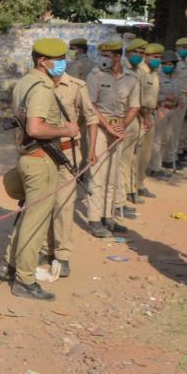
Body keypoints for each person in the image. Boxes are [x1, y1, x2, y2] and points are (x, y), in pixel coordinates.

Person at [0, 38, 79, 300]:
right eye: (59, 59)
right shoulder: (42, 88)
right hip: (41, 160)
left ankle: (10, 264)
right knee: (36, 223)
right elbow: (35, 128)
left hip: (28, 157)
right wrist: (67, 130)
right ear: (43, 61)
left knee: (28, 216)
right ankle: (25, 279)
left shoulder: (25, 81)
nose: (62, 64)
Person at [42, 68, 99, 275]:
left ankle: (62, 254)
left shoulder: (77, 86)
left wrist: (91, 150)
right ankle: (44, 248)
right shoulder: (38, 83)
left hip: (67, 153)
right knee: (42, 202)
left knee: (64, 204)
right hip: (41, 153)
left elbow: (91, 119)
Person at [85, 41, 140, 237]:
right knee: (97, 174)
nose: (103, 58)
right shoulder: (95, 75)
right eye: (102, 54)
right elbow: (90, 104)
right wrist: (108, 127)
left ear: (117, 57)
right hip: (99, 128)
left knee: (112, 175)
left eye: (107, 55)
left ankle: (108, 216)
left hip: (118, 128)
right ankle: (94, 218)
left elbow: (134, 106)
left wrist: (122, 125)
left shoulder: (131, 79)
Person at [120, 38, 150, 211]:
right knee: (123, 160)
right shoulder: (122, 70)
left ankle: (131, 189)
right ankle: (121, 197)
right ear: (128, 53)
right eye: (135, 53)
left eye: (141, 53)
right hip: (126, 117)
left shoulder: (140, 71)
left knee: (133, 156)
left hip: (138, 117)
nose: (138, 56)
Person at [137, 43, 167, 183]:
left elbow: (153, 95)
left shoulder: (154, 72)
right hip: (139, 115)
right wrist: (144, 116)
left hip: (150, 114)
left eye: (160, 57)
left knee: (146, 153)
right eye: (155, 57)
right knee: (136, 154)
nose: (158, 60)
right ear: (146, 56)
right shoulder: (140, 72)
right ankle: (131, 187)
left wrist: (157, 109)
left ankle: (139, 184)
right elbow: (137, 97)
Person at [152, 50, 182, 171]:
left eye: (171, 64)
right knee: (157, 140)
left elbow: (178, 92)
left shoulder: (176, 77)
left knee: (166, 139)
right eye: (165, 64)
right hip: (161, 109)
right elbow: (153, 96)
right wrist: (166, 97)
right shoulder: (157, 77)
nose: (168, 66)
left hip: (173, 111)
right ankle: (155, 167)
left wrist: (179, 100)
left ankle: (160, 163)